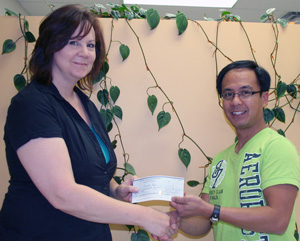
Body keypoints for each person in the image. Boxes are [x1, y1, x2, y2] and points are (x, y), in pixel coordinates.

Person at [0, 4, 176, 241]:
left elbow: (93, 173)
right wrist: (145, 217)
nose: (84, 52)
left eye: (90, 45)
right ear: (50, 45)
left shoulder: (87, 105)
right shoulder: (32, 105)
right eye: (73, 42)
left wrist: (116, 190)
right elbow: (62, 193)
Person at [169, 60, 300, 241]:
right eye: (228, 94)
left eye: (245, 92)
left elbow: (278, 221)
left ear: (264, 98)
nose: (235, 101)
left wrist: (212, 210)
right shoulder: (219, 161)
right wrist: (173, 221)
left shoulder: (277, 147)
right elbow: (205, 222)